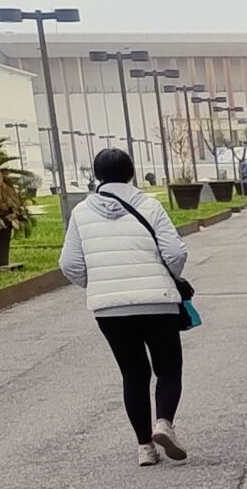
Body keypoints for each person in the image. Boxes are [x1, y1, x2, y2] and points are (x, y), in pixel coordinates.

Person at [58, 148, 191, 467]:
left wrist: (99, 284)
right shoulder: (150, 205)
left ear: (97, 175)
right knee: (168, 368)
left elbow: (69, 264)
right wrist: (172, 276)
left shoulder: (81, 212)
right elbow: (175, 253)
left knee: (133, 373)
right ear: (131, 173)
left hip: (110, 310)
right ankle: (164, 423)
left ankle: (145, 447)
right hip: (157, 303)